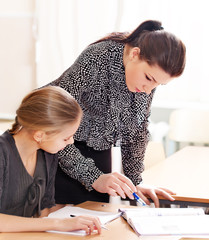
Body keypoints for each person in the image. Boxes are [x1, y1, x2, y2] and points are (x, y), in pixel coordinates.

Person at [48, 20, 186, 207]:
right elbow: (53, 124)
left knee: (96, 221)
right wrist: (93, 176)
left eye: (157, 84)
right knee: (59, 225)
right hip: (56, 145)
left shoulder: (146, 81)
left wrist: (135, 181)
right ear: (135, 54)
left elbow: (137, 130)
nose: (148, 90)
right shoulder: (97, 58)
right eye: (149, 78)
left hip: (97, 149)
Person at [0, 86, 102, 235]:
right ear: (40, 135)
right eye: (66, 138)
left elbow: (44, 212)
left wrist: (74, 221)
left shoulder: (48, 154)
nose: (71, 142)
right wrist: (58, 223)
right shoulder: (3, 154)